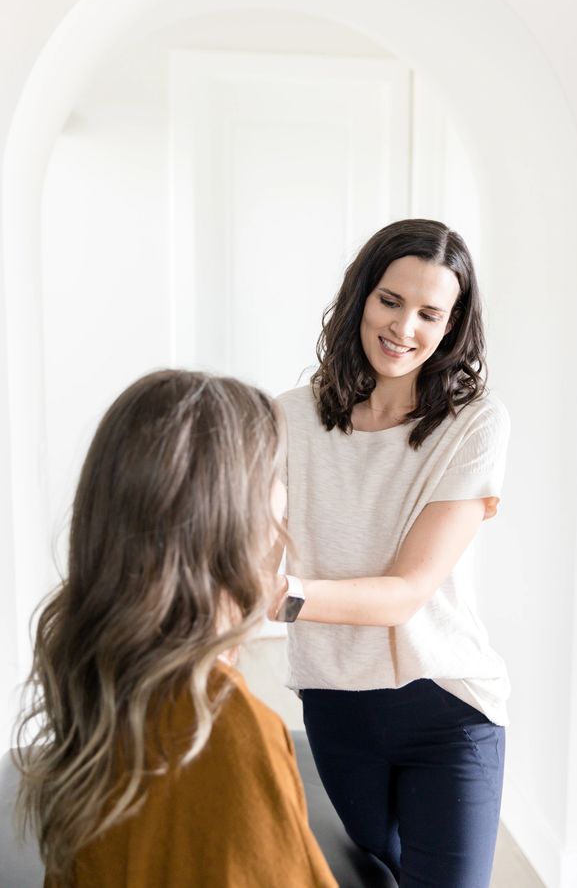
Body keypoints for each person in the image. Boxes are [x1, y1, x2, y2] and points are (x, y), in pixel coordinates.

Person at [14, 370, 337, 888]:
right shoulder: (228, 729)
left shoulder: (103, 689)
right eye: (275, 476)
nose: (284, 497)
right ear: (231, 521)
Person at [273, 219, 511, 888]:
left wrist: (281, 593)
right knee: (382, 873)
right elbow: (255, 526)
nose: (404, 327)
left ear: (451, 326)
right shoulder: (290, 417)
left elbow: (406, 593)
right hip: (335, 702)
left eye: (429, 313)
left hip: (447, 707)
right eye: (390, 301)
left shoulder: (475, 423)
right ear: (359, 299)